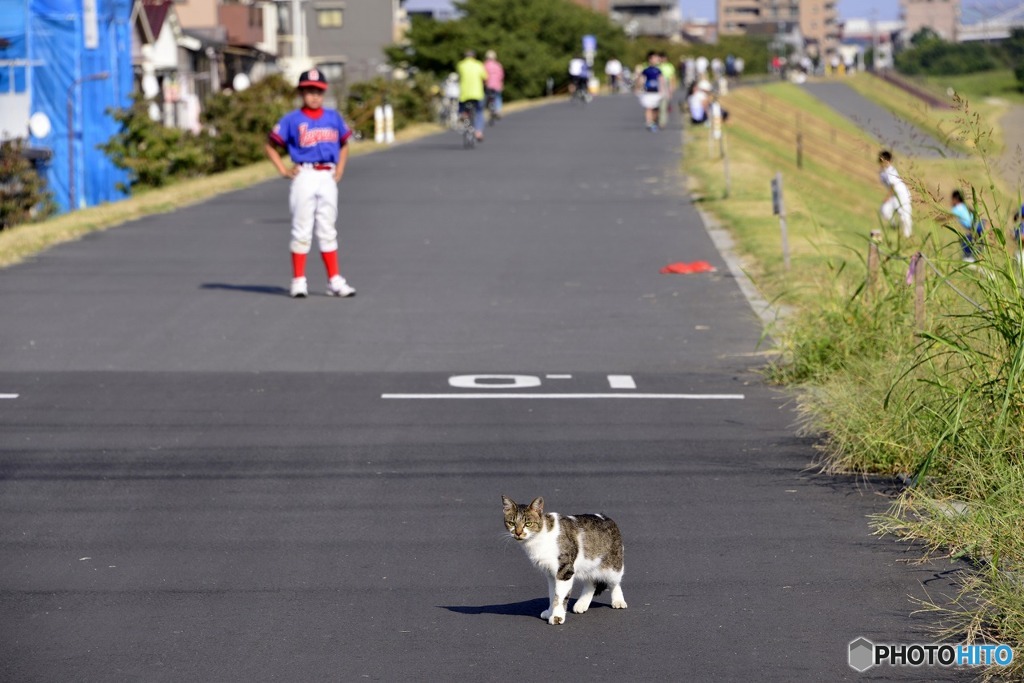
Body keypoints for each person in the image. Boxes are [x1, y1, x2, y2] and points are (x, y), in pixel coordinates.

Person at [265, 68, 355, 299]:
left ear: (323, 93)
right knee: (302, 229)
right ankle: (298, 280)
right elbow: (270, 145)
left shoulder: (333, 117)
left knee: (327, 228)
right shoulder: (292, 119)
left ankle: (334, 280)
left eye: (317, 91)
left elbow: (344, 143)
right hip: (304, 174)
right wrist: (284, 170)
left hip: (327, 175)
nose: (313, 95)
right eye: (308, 91)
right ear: (301, 93)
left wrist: (341, 168)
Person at [877, 150, 913, 238]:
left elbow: (893, 185)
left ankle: (907, 236)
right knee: (884, 210)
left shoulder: (891, 171)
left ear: (888, 161)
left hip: (902, 195)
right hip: (894, 196)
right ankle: (893, 226)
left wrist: (887, 197)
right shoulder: (883, 172)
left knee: (904, 216)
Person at [457, 50, 488, 141]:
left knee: (463, 110)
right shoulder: (479, 64)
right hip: (477, 93)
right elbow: (485, 77)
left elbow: (459, 77)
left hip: (464, 94)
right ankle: (478, 132)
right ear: (474, 56)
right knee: (479, 112)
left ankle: (466, 122)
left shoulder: (461, 65)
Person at [950, 189, 983, 262]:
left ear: (955, 199)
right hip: (980, 224)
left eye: (952, 199)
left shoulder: (956, 208)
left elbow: (948, 216)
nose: (951, 201)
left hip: (975, 226)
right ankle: (976, 259)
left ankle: (971, 260)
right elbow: (973, 211)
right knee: (977, 244)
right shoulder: (964, 206)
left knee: (966, 244)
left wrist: (935, 218)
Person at [637, 51, 664, 131]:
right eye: (655, 58)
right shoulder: (646, 70)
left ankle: (654, 121)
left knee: (656, 108)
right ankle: (649, 122)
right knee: (649, 108)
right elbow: (641, 79)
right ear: (650, 59)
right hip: (648, 91)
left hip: (656, 91)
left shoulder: (658, 70)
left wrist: (663, 90)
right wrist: (639, 87)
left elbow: (661, 80)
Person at [483, 50, 504, 122]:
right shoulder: (498, 65)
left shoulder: (485, 65)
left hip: (488, 85)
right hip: (497, 85)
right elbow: (501, 75)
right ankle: (498, 110)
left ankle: (486, 109)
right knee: (498, 97)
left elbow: (483, 75)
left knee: (486, 97)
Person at [656, 51, 676, 128]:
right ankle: (657, 119)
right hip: (658, 86)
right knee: (657, 105)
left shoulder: (669, 66)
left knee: (664, 105)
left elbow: (672, 77)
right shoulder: (657, 66)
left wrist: (672, 87)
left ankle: (662, 121)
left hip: (666, 85)